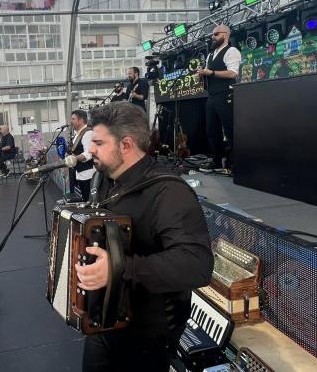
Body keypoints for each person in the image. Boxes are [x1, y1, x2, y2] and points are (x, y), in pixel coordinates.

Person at [76, 102, 214, 372]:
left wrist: (118, 269)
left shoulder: (168, 191)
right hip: (104, 325)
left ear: (126, 145)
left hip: (147, 338)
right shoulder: (104, 180)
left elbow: (197, 265)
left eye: (99, 142)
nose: (91, 148)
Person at [196, 24, 241, 174]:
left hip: (226, 94)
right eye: (212, 35)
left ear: (225, 35)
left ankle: (234, 162)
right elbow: (206, 79)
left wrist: (211, 72)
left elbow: (232, 73)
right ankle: (216, 161)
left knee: (229, 129)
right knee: (211, 130)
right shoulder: (210, 55)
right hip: (212, 96)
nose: (212, 37)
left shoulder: (231, 51)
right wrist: (201, 76)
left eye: (215, 34)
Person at [68, 109, 95, 202]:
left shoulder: (88, 133)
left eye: (73, 119)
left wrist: (74, 158)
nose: (71, 122)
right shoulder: (78, 134)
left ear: (81, 120)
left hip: (88, 174)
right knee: (83, 199)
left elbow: (89, 153)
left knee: (88, 200)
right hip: (80, 173)